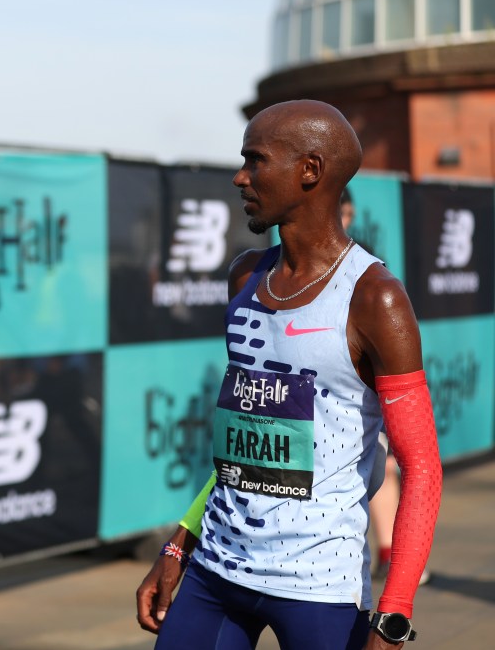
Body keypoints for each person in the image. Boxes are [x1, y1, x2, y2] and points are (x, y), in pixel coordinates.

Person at [135, 100, 441, 649]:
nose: (240, 176)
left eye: (256, 161)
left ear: (310, 171)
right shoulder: (245, 277)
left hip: (317, 586)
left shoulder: (376, 299)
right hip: (217, 571)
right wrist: (182, 541)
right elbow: (246, 445)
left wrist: (393, 617)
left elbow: (421, 467)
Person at [340, 190, 430, 588]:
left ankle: (392, 552)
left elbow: (425, 468)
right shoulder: (271, 270)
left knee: (387, 464)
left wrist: (396, 604)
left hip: (365, 396)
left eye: (342, 211)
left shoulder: (369, 271)